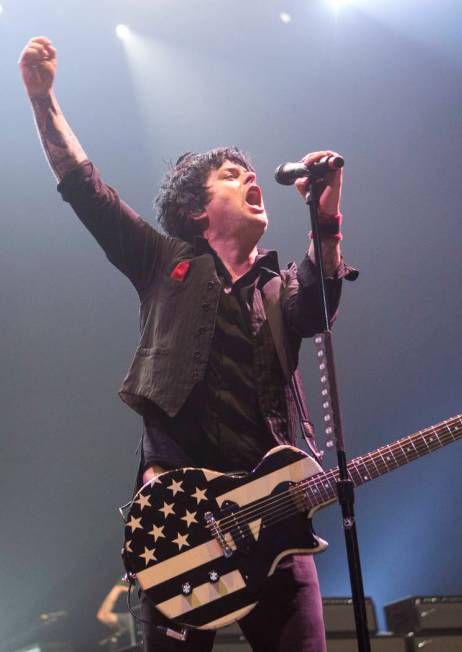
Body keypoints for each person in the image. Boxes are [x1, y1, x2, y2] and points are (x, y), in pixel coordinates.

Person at [19, 36, 357, 652]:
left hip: (275, 516)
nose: (252, 178)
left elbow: (320, 308)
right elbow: (87, 191)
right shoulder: (164, 263)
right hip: (179, 516)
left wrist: (326, 220)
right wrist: (44, 103)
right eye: (232, 177)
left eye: (250, 174)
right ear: (200, 213)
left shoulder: (278, 289)